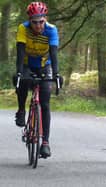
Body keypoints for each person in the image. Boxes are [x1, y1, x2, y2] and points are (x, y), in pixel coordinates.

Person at [15, 2, 60, 158]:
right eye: (34, 22)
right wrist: (19, 72)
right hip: (27, 64)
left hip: (43, 65)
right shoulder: (23, 28)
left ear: (45, 19)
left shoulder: (51, 30)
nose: (38, 25)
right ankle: (21, 110)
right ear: (30, 20)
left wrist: (57, 74)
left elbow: (54, 54)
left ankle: (45, 143)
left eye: (41, 21)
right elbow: (20, 52)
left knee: (45, 102)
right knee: (22, 81)